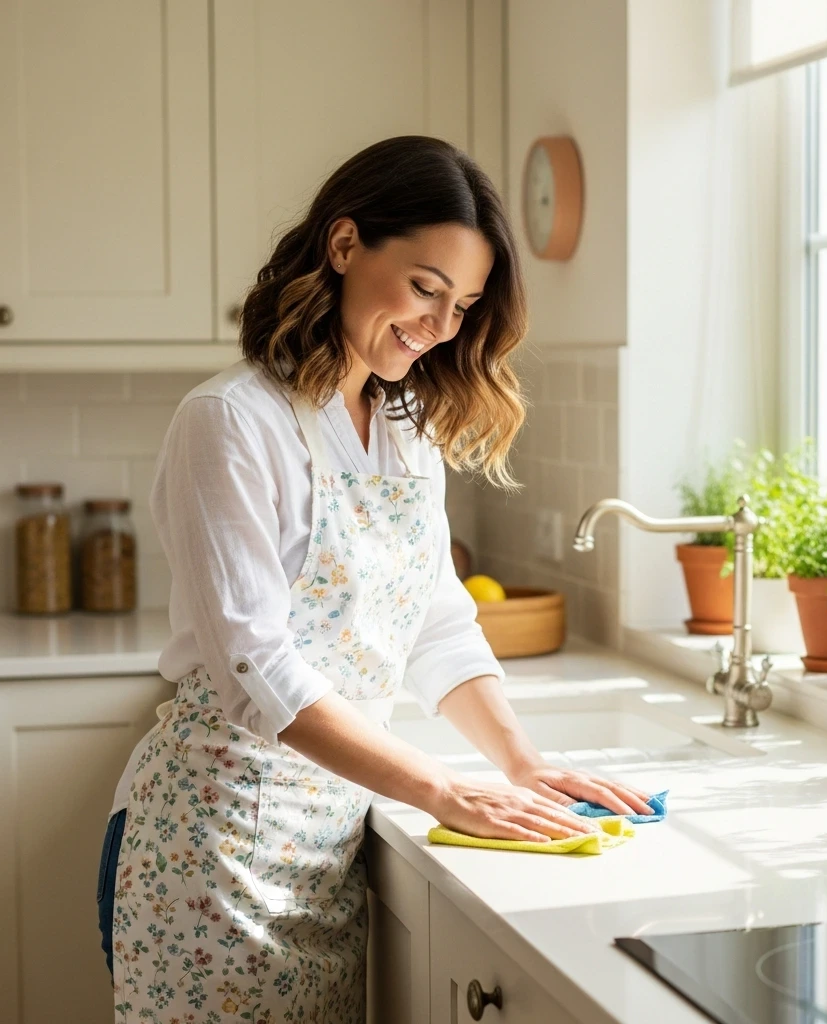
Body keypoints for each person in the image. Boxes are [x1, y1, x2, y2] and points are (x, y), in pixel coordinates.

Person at [96, 134, 653, 1022]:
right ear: (346, 245)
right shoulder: (231, 421)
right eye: (426, 288)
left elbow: (434, 621)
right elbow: (256, 672)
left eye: (464, 304)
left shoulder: (406, 430)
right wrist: (439, 788)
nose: (440, 325)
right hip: (213, 849)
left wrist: (519, 760)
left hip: (330, 842)